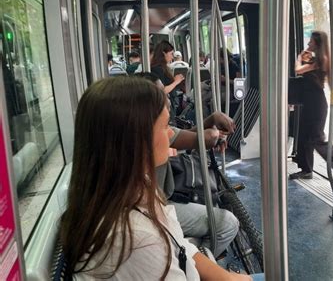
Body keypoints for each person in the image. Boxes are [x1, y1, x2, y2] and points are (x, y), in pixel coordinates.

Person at [59, 77, 252, 280]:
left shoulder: (133, 191)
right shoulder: (137, 241)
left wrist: (227, 278)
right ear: (135, 142)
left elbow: (179, 243)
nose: (170, 134)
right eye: (165, 126)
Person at [137, 72, 240, 256]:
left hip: (159, 202)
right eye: (161, 95)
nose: (170, 136)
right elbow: (197, 139)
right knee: (227, 223)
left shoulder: (153, 129)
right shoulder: (138, 222)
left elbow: (188, 137)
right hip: (157, 207)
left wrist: (211, 120)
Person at [290, 31, 333, 180]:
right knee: (304, 136)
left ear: (317, 44)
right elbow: (328, 78)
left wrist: (299, 57)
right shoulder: (315, 58)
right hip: (309, 103)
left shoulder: (321, 59)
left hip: (316, 105)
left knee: (316, 138)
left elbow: (298, 70)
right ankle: (306, 170)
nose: (308, 44)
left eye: (311, 42)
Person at [150, 40, 185, 121]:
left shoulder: (164, 68)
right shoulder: (157, 69)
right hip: (164, 106)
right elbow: (162, 90)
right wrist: (176, 81)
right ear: (163, 53)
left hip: (169, 104)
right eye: (171, 54)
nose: (172, 57)